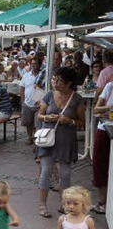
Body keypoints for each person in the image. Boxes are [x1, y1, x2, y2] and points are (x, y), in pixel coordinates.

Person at [37, 67, 85, 218]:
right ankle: (42, 205)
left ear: (69, 83)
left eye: (59, 80)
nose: (55, 82)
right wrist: (46, 118)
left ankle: (64, 204)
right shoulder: (49, 95)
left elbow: (81, 122)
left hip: (66, 140)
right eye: (54, 79)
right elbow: (39, 115)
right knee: (46, 172)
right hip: (48, 139)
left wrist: (69, 120)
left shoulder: (77, 99)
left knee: (65, 174)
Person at [91, 79, 113, 214]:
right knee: (99, 165)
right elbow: (96, 109)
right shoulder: (110, 87)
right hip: (105, 129)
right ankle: (103, 201)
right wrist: (109, 107)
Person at [20, 57, 44, 145]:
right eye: (32, 64)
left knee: (37, 123)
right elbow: (22, 88)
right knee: (28, 122)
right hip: (27, 103)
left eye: (36, 64)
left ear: (40, 65)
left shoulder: (43, 75)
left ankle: (37, 138)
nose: (34, 66)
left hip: (39, 104)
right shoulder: (26, 75)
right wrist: (23, 101)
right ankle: (30, 137)